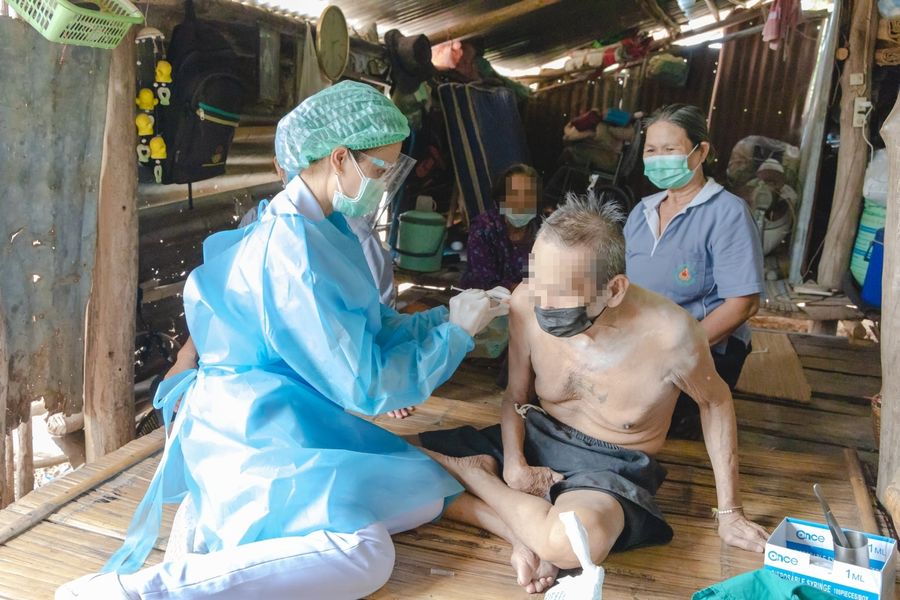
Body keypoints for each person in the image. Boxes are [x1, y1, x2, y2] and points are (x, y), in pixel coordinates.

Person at [56, 81, 507, 600]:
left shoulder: (323, 227)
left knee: (406, 499)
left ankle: (208, 536)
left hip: (279, 420)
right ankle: (142, 592)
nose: (385, 183)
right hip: (254, 433)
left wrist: (445, 317)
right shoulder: (293, 254)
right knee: (365, 551)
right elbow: (365, 385)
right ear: (340, 158)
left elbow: (370, 327)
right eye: (382, 169)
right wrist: (454, 335)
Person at [415, 194, 769, 595]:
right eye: (539, 283)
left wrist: (730, 512)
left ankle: (475, 476)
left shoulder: (673, 335)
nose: (544, 302)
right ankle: (517, 530)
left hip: (609, 466)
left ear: (614, 289)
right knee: (384, 459)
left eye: (562, 292)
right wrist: (513, 464)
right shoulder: (525, 303)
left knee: (569, 545)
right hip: (533, 439)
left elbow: (715, 403)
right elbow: (516, 394)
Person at [624, 104, 764, 439]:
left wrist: (674, 351)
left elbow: (742, 304)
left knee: (635, 422)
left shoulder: (727, 213)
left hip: (705, 348)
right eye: (651, 151)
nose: (659, 159)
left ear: (700, 152)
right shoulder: (641, 212)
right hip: (643, 344)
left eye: (670, 150)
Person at [460, 164, 542, 291]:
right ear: (502, 198)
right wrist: (526, 292)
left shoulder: (542, 232)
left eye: (528, 194)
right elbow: (483, 281)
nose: (522, 201)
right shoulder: (484, 228)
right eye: (514, 194)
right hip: (485, 303)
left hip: (529, 302)